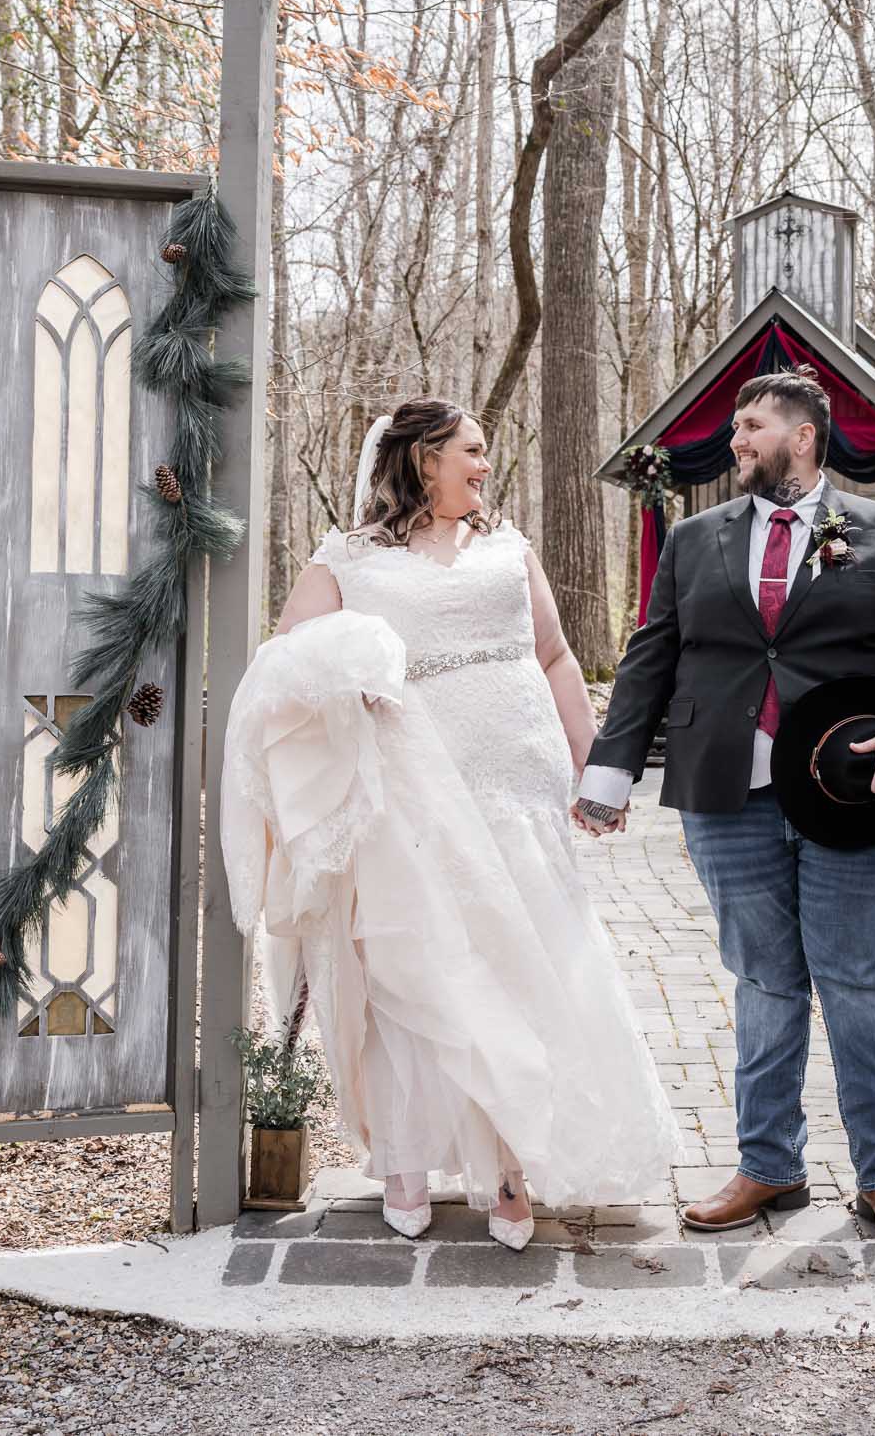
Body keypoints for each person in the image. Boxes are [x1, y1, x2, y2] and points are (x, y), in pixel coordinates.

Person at [219, 397, 677, 1251]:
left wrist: (597, 769)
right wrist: (351, 675)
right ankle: (405, 1160)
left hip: (518, 786)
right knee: (412, 968)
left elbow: (555, 655)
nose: (485, 463)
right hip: (410, 794)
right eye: (472, 449)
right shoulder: (349, 556)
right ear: (424, 458)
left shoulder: (509, 547)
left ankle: (509, 1164)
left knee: (520, 960)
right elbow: (286, 658)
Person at [574, 369, 875, 1255]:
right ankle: (768, 1163)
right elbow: (650, 655)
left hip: (853, 793)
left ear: (804, 436)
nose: (736, 439)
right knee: (763, 981)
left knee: (857, 983)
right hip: (726, 793)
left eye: (751, 425)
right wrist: (610, 772)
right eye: (736, 426)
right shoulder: (694, 538)